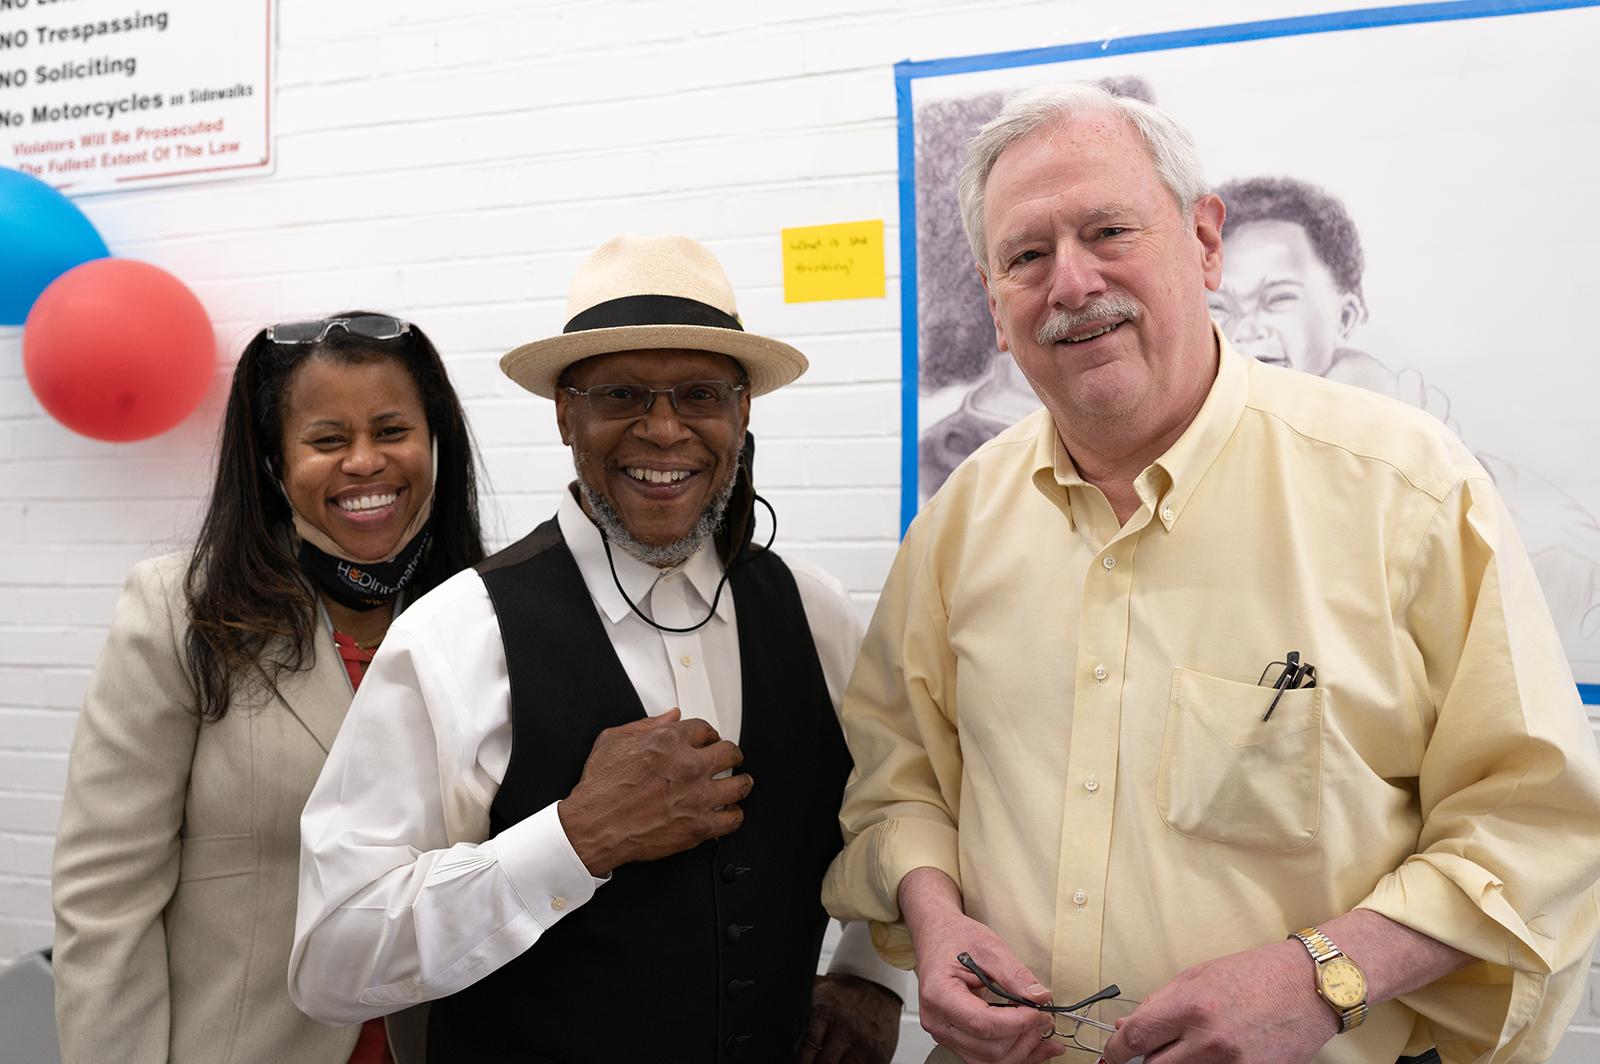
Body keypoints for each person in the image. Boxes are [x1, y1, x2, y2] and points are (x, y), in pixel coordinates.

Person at [821, 82, 1600, 1064]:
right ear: (993, 296)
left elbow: (1536, 820)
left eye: (1108, 230)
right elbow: (899, 783)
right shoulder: (960, 521)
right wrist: (932, 919)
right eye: (1026, 254)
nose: (1069, 283)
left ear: (1202, 240)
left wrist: (1324, 975)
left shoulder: (1402, 487)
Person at [290, 235, 906, 1063]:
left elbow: (892, 808)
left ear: (742, 412)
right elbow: (331, 957)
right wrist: (573, 840)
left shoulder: (815, 610)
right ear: (564, 412)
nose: (662, 429)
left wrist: (872, 972)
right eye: (620, 394)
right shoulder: (457, 635)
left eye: (698, 393)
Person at [51, 314, 486, 1064]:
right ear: (275, 463)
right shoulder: (179, 609)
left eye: (391, 431)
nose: (364, 462)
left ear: (433, 442)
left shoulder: (484, 612)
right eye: (326, 441)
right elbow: (103, 905)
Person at [1213, 174, 1600, 672]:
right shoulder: (1215, 451)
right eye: (1220, 306)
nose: (1246, 329)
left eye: (1278, 299)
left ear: (1347, 316)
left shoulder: (1428, 467)